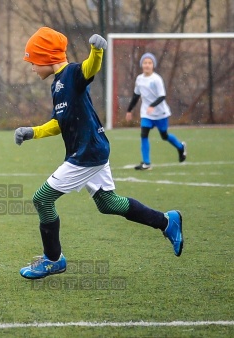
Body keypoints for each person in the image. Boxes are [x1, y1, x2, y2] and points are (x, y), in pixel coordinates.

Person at [13, 27, 183, 280]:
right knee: (107, 203)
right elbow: (59, 123)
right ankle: (167, 221)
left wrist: (96, 50)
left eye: (33, 61)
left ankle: (53, 260)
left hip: (87, 153)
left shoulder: (71, 74)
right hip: (92, 149)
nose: (32, 67)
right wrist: (33, 132)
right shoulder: (57, 85)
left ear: (47, 57)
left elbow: (89, 68)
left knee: (42, 199)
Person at [126, 52, 186, 170]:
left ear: (153, 65)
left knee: (164, 136)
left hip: (160, 113)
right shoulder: (139, 79)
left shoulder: (157, 79)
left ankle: (180, 147)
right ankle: (146, 163)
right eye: (145, 62)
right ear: (142, 64)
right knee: (144, 134)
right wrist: (129, 110)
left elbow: (162, 96)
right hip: (146, 114)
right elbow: (136, 95)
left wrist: (153, 106)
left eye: (149, 63)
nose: (147, 65)